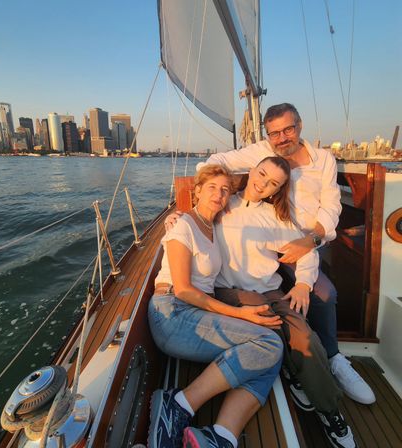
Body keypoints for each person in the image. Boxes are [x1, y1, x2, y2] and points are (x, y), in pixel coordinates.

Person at [166, 157, 358, 448]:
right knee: (266, 319)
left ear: (276, 190)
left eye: (273, 183)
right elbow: (196, 217)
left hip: (271, 289)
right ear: (252, 170)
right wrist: (176, 217)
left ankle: (330, 410)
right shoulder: (222, 202)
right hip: (230, 290)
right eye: (262, 173)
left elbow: (306, 249)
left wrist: (304, 283)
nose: (263, 183)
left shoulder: (275, 217)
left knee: (305, 337)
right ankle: (293, 371)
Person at [195, 103, 375, 406]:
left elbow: (332, 205)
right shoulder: (261, 153)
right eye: (274, 133)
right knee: (272, 303)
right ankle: (297, 364)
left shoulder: (323, 160)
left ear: (300, 125)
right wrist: (204, 204)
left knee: (323, 294)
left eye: (288, 129)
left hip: (308, 242)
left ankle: (333, 358)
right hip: (271, 242)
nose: (282, 138)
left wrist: (311, 239)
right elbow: (214, 162)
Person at [148, 164, 284, 448]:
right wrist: (240, 314)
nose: (219, 194)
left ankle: (221, 436)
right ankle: (180, 403)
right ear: (196, 190)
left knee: (272, 354)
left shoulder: (212, 228)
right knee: (269, 345)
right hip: (172, 312)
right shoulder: (183, 225)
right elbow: (184, 289)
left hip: (195, 314)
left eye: (225, 190)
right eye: (211, 187)